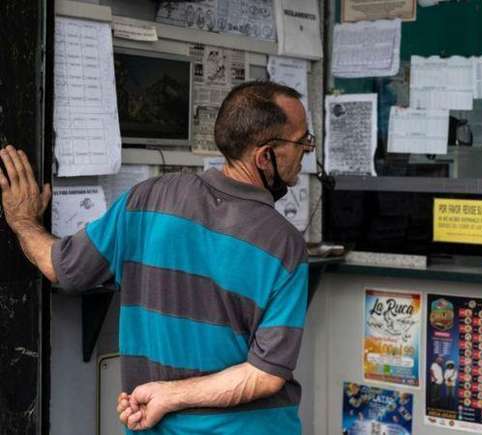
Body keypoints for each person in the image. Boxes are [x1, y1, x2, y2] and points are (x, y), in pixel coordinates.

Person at [0, 81, 315, 434]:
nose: (306, 151)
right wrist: (169, 395)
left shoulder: (145, 199)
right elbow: (265, 374)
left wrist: (23, 221)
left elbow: (61, 268)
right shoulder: (283, 244)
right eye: (302, 142)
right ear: (264, 156)